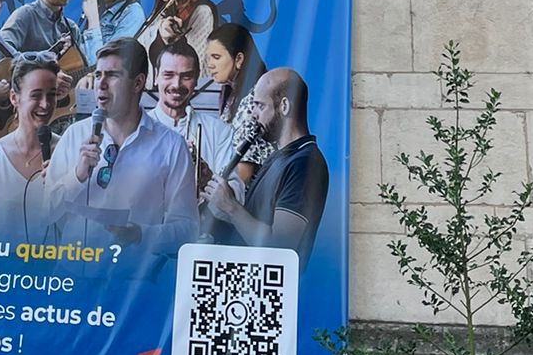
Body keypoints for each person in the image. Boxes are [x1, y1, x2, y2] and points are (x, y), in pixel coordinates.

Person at [44, 37, 198, 256]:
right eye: (98, 75)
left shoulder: (171, 146)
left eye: (112, 75)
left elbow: (187, 230)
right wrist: (77, 176)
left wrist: (141, 235)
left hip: (134, 285)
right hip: (74, 280)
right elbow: (43, 213)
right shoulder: (74, 135)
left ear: (138, 83)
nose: (101, 84)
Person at [201, 67, 329, 265]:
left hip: (272, 291)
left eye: (260, 106)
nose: (253, 114)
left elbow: (281, 247)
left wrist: (231, 206)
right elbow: (251, 226)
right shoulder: (278, 158)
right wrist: (219, 204)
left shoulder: (305, 163)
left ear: (284, 106)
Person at [0, 53, 62, 240]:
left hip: (52, 268)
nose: (45, 104)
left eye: (52, 95)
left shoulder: (68, 152)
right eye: (36, 95)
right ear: (14, 98)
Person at [149, 41, 226, 191]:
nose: (176, 85)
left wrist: (207, 178)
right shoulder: (135, 129)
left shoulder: (219, 132)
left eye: (186, 77)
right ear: (156, 77)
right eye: (168, 75)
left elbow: (235, 196)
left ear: (196, 79)